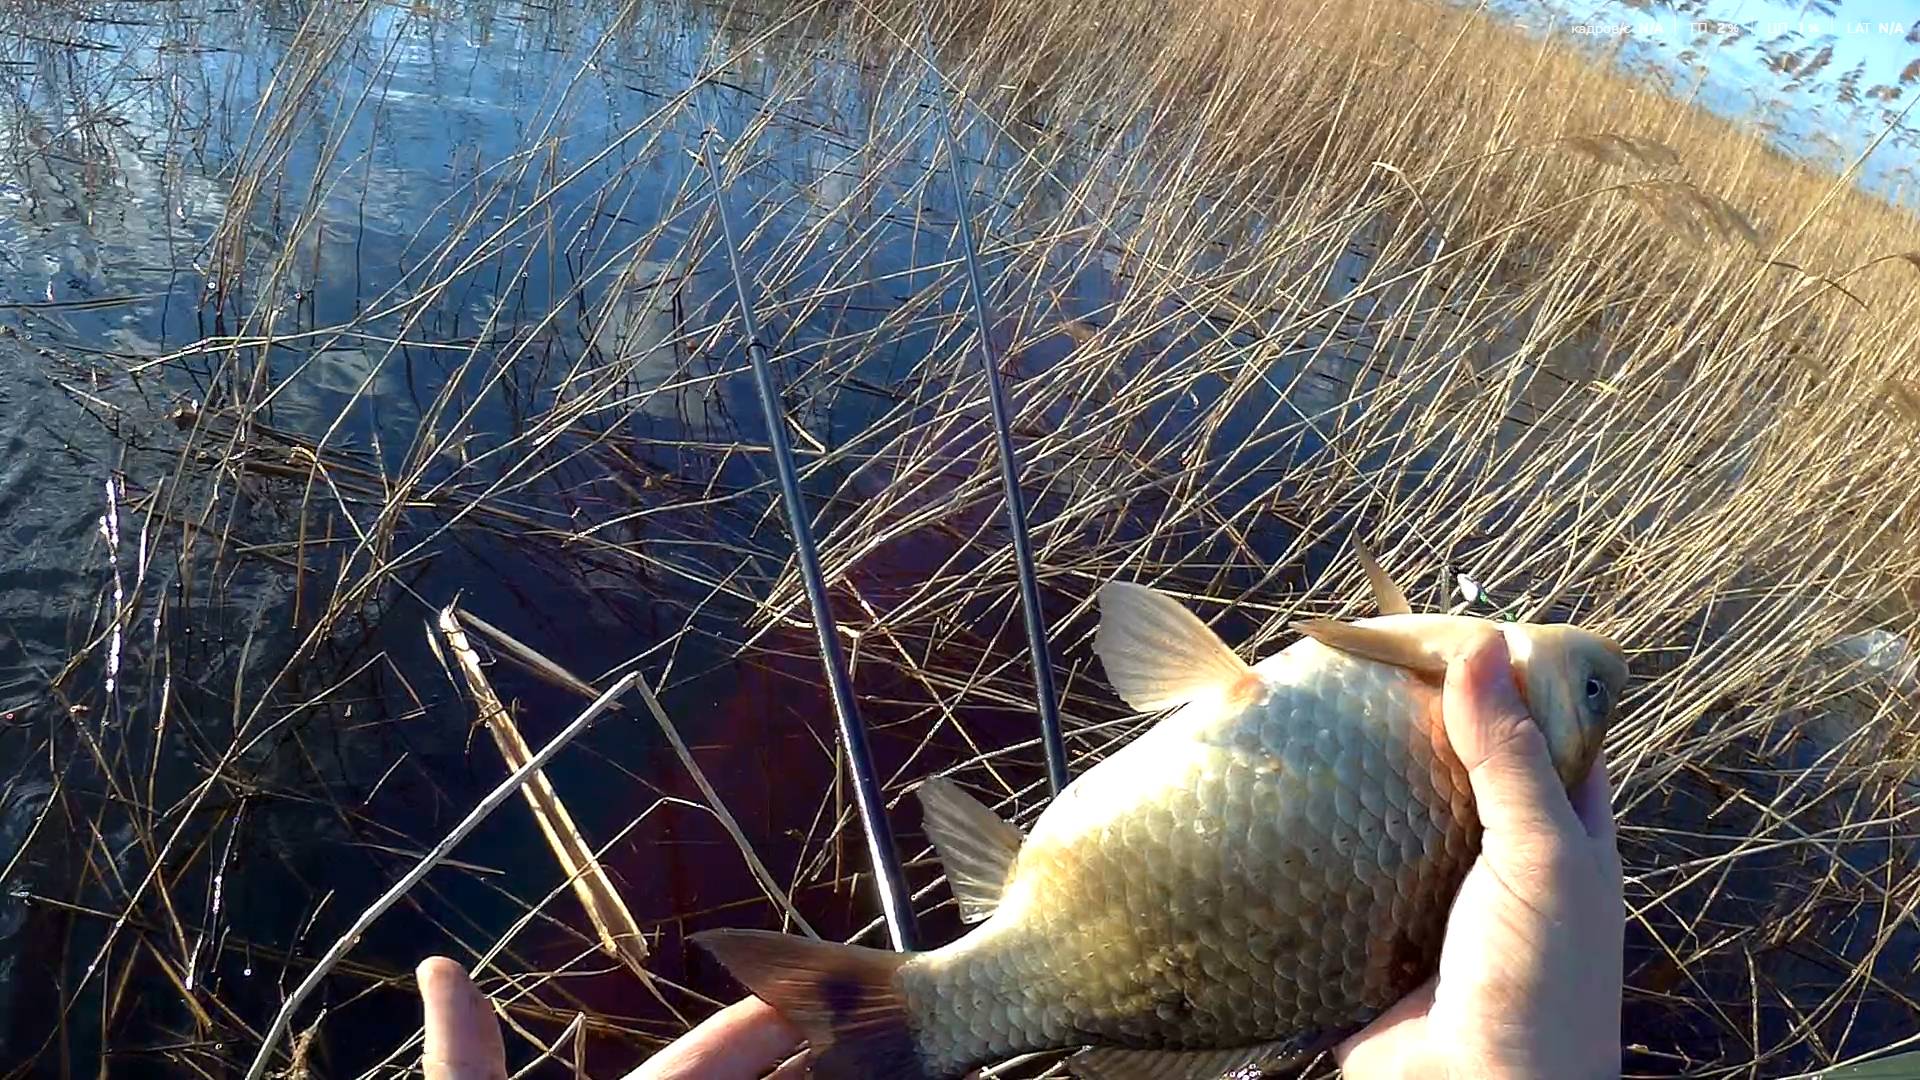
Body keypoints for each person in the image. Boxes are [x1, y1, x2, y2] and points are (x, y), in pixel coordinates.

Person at [415, 633, 1624, 1079]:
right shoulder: (1463, 749)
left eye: (1589, 695)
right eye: (1596, 696)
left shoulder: (1416, 683)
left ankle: (916, 1023)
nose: (1591, 678)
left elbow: (1141, 639)